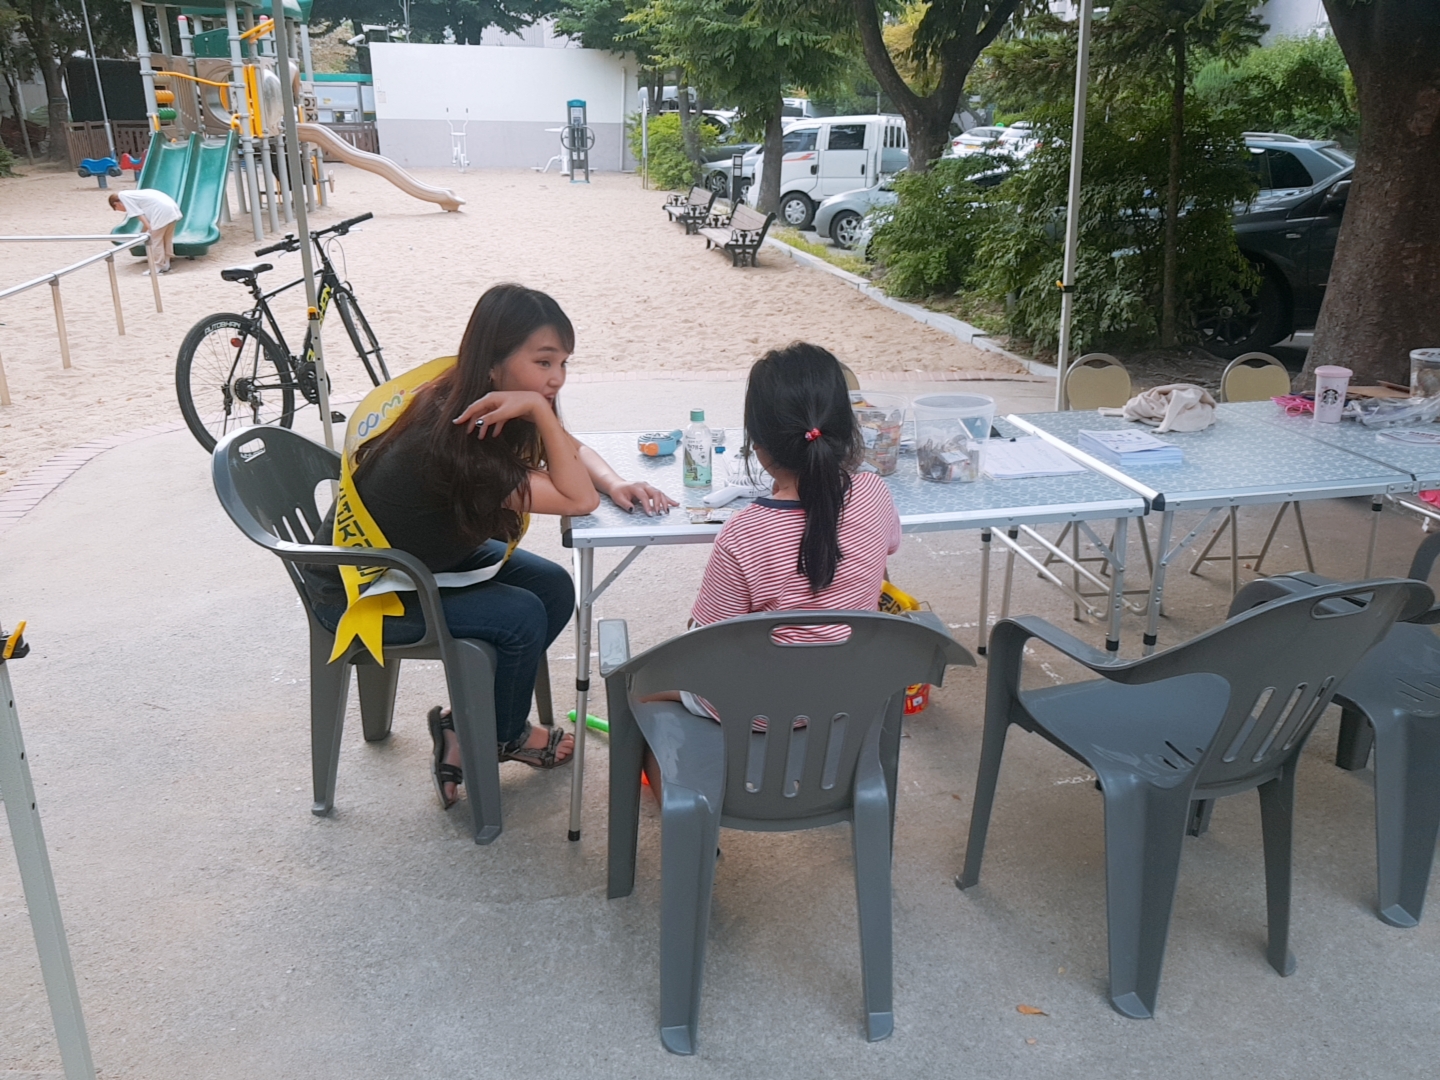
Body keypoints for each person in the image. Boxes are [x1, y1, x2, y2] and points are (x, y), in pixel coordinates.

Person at [304, 283, 676, 809]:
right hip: (361, 588)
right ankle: (502, 736)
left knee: (552, 586)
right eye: (543, 362)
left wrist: (615, 483)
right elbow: (576, 498)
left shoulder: (474, 394)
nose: (556, 378)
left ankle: (462, 725)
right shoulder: (460, 439)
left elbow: (570, 453)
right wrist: (541, 413)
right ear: (494, 361)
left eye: (563, 363)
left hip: (416, 561)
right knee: (519, 615)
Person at [642, 343, 901, 742]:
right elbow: (880, 558)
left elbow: (706, 641)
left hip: (756, 709)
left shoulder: (744, 533)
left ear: (757, 445)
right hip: (846, 694)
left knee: (638, 686)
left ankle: (676, 781)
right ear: (846, 428)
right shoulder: (873, 493)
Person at [108, 189, 182, 274]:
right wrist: (143, 232)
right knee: (166, 238)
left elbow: (138, 214)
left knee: (154, 240)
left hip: (161, 211)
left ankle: (157, 267)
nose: (122, 210)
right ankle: (166, 264)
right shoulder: (133, 196)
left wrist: (149, 228)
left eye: (117, 208)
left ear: (116, 204)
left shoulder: (123, 196)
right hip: (171, 209)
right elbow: (146, 218)